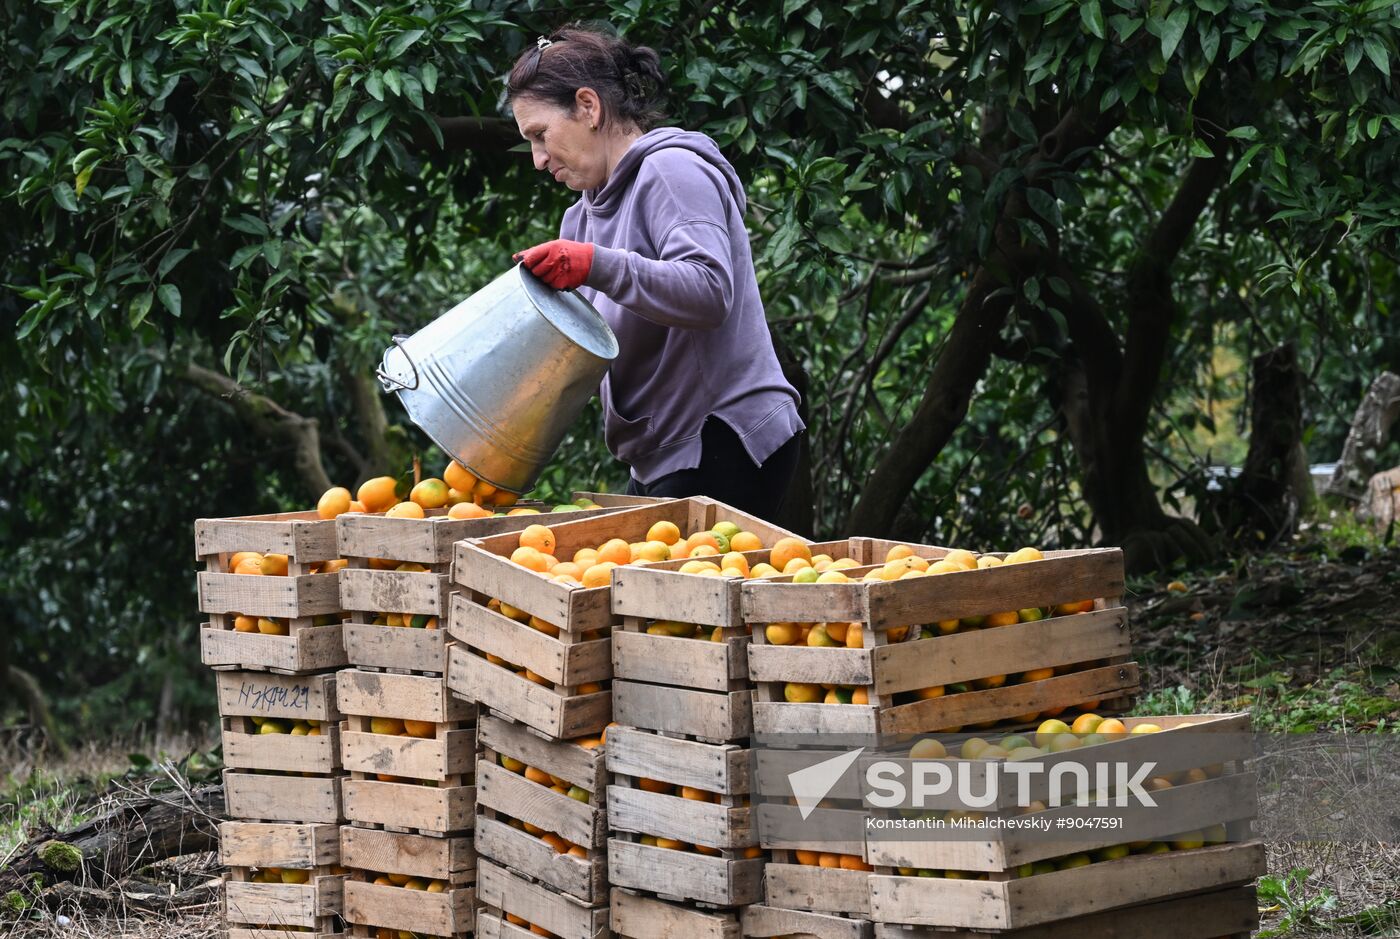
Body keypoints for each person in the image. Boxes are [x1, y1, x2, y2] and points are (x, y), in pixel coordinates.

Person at [507, 25, 804, 519]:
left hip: (722, 436)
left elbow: (709, 291)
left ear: (588, 107)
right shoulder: (580, 218)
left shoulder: (671, 170)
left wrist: (591, 265)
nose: (538, 159)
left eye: (540, 135)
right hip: (660, 453)